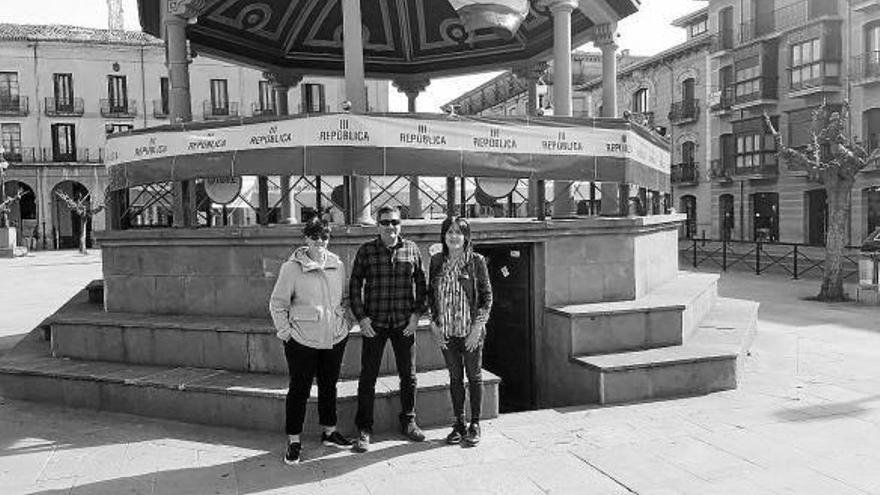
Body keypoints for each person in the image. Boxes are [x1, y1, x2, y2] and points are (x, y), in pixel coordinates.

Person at [269, 217, 353, 465]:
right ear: (306, 238)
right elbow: (277, 303)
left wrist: (345, 325)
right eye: (315, 236)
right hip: (302, 340)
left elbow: (344, 299)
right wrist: (286, 334)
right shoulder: (291, 268)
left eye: (324, 237)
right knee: (299, 390)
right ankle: (294, 440)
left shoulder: (337, 265)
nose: (320, 241)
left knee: (329, 386)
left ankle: (329, 431)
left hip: (334, 338)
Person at [349, 205, 428, 452]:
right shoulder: (366, 251)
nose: (390, 227)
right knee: (368, 377)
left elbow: (422, 286)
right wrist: (362, 319)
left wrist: (416, 316)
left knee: (409, 376)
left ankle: (409, 421)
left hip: (404, 324)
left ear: (400, 224)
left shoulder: (412, 250)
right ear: (377, 225)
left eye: (394, 222)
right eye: (385, 222)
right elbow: (354, 287)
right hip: (376, 324)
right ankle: (364, 428)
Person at [427, 216, 492, 447]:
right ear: (444, 236)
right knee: (455, 378)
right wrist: (433, 325)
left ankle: (475, 424)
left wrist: (478, 327)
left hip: (470, 331)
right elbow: (430, 296)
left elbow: (486, 298)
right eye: (449, 232)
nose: (454, 236)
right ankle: (459, 424)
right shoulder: (437, 261)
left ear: (466, 237)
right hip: (448, 332)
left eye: (458, 232)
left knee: (474, 377)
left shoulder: (476, 261)